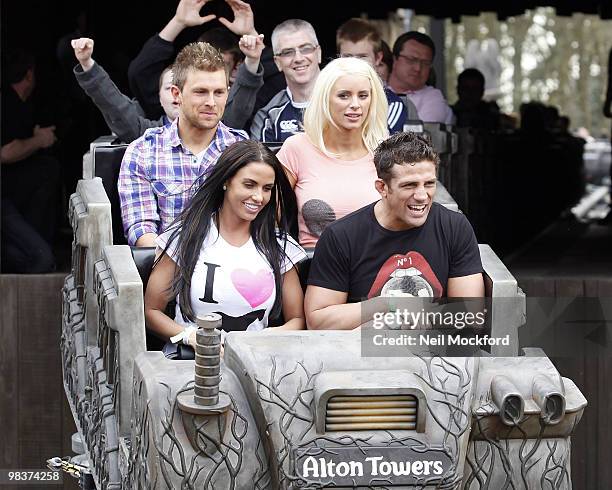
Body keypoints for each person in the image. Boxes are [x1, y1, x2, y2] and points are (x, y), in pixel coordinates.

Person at [304, 132, 484, 330]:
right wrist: (388, 304)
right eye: (409, 185)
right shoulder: (341, 236)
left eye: (429, 184)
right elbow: (319, 321)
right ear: (382, 188)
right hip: (361, 355)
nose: (422, 195)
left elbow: (470, 316)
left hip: (436, 351)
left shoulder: (454, 227)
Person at [144, 140, 306, 356]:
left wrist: (270, 337)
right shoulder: (187, 236)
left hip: (256, 363)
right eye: (249, 185)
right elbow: (151, 311)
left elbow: (297, 319)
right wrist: (189, 336)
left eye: (267, 189)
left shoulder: (278, 245)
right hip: (190, 362)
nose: (259, 197)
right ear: (226, 182)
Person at [118, 42, 247, 247]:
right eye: (201, 92)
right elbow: (141, 229)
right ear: (177, 94)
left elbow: (258, 224)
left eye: (219, 92)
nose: (211, 102)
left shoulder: (242, 149)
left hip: (233, 269)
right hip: (168, 268)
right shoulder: (143, 151)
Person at [276, 57, 389, 248]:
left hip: (376, 266)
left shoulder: (387, 151)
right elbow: (268, 220)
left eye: (363, 95)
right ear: (324, 98)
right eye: (344, 95)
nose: (355, 104)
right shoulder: (296, 148)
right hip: (314, 268)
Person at [128, 0, 264, 129]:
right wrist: (178, 22)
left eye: (220, 64)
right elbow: (140, 74)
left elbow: (276, 74)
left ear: (236, 68)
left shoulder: (247, 96)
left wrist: (251, 35)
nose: (210, 68)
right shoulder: (176, 96)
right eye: (203, 60)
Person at [1, 49, 60, 273]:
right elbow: (5, 152)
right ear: (28, 75)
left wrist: (36, 135)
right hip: (5, 195)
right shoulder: (7, 103)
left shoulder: (20, 104)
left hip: (10, 199)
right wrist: (38, 140)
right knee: (41, 258)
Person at [72, 37, 179, 143]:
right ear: (160, 98)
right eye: (169, 87)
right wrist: (87, 63)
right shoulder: (150, 136)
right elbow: (117, 106)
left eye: (182, 87)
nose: (175, 93)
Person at [336, 18, 417, 131]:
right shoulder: (327, 99)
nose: (354, 64)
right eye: (348, 57)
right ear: (339, 58)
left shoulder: (392, 105)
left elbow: (384, 146)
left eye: (362, 57)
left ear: (378, 58)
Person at [250, 19, 321, 142]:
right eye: (288, 52)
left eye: (305, 49)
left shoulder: (347, 99)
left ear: (319, 53)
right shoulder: (268, 116)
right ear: (277, 63)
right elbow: (259, 161)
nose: (298, 58)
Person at [388, 31, 453, 124]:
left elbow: (418, 137)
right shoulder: (375, 88)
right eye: (411, 60)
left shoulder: (433, 99)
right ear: (394, 59)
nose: (418, 68)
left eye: (425, 63)